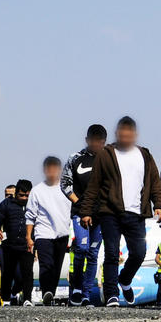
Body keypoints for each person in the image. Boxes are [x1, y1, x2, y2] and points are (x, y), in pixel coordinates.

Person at [79, 116, 161, 307]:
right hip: (110, 212)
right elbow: (94, 184)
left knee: (139, 253)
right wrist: (86, 211)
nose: (125, 137)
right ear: (117, 133)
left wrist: (159, 204)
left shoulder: (144, 155)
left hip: (136, 213)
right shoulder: (106, 154)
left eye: (129, 134)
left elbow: (154, 183)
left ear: (134, 135)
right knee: (111, 253)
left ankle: (125, 279)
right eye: (122, 133)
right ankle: (112, 294)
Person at [61, 124, 108, 306]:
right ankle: (77, 289)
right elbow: (65, 184)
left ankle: (87, 293)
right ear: (87, 140)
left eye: (100, 142)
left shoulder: (110, 159)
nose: (96, 145)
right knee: (81, 249)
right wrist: (80, 204)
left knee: (93, 253)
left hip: (101, 216)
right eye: (93, 141)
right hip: (80, 214)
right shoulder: (76, 158)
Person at [26, 156, 74, 306]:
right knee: (46, 264)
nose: (52, 172)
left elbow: (75, 208)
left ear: (59, 170)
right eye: (49, 169)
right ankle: (46, 290)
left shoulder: (67, 189)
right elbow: (30, 215)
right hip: (43, 233)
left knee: (56, 266)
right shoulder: (37, 191)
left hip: (62, 233)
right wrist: (29, 237)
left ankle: (50, 293)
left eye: (55, 169)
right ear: (45, 170)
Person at [0, 180, 35, 306]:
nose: (24, 198)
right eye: (21, 195)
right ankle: (5, 299)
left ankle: (27, 299)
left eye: (27, 195)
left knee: (27, 274)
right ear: (16, 193)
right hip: (9, 245)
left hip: (27, 245)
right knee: (8, 273)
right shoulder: (6, 204)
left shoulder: (33, 204)